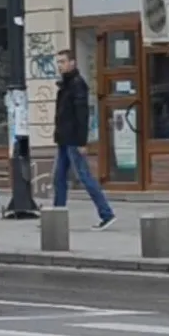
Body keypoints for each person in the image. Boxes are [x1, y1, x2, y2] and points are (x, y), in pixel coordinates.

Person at [54, 49, 116, 230]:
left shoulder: (77, 84)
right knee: (58, 178)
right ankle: (57, 218)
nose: (60, 65)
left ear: (72, 62)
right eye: (58, 62)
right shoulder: (65, 84)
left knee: (85, 177)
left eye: (63, 62)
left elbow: (82, 116)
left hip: (73, 139)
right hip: (64, 139)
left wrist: (82, 142)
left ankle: (106, 213)